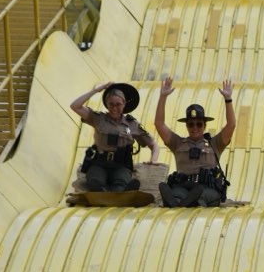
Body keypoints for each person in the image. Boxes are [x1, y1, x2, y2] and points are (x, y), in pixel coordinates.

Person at [154, 77, 236, 207]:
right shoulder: (178, 143)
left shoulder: (215, 144)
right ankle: (177, 202)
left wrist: (228, 99)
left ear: (204, 125)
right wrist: (163, 96)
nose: (195, 128)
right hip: (184, 186)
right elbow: (159, 124)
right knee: (177, 194)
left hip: (207, 189)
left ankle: (179, 204)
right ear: (186, 126)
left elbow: (231, 125)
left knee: (199, 199)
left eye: (199, 124)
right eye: (191, 124)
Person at [70, 82, 159, 191]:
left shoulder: (132, 124)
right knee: (95, 181)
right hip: (100, 163)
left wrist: (153, 160)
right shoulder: (98, 119)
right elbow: (75, 106)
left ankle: (122, 188)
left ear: (124, 103)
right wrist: (96, 90)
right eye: (111, 104)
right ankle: (101, 190)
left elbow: (153, 144)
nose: (114, 108)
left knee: (120, 183)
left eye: (118, 104)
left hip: (121, 165)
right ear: (107, 104)